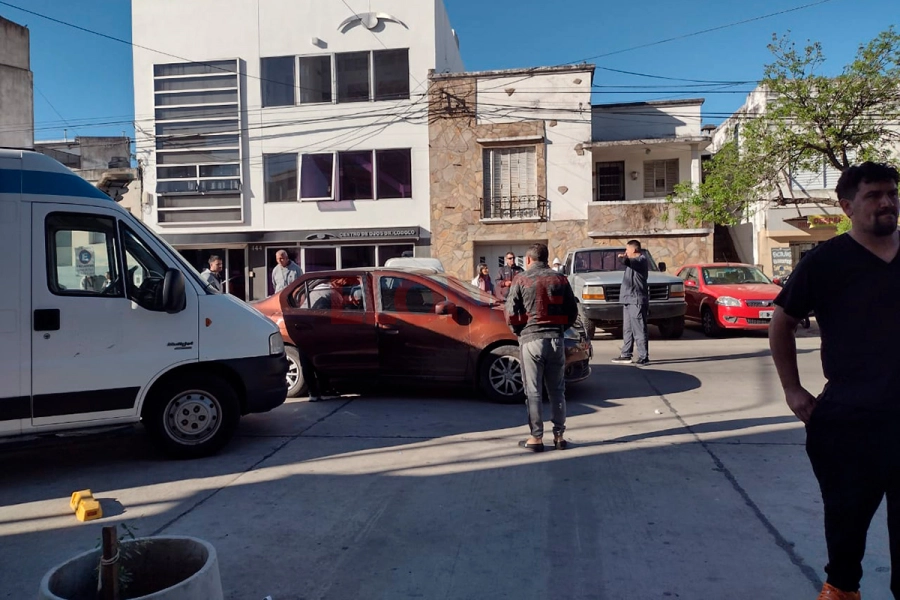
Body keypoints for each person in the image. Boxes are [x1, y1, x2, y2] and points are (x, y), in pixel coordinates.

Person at [769, 162, 900, 600]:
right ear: (847, 206)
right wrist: (791, 388)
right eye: (874, 195)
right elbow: (781, 323)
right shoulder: (825, 261)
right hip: (849, 420)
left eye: (892, 193)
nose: (887, 202)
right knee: (845, 530)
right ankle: (842, 591)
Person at [505, 242, 579, 453]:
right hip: (556, 339)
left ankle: (536, 438)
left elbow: (510, 313)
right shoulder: (561, 279)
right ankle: (559, 436)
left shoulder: (521, 279)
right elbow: (573, 312)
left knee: (534, 392)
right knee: (558, 391)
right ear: (546, 258)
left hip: (531, 339)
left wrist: (520, 332)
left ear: (528, 260)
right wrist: (559, 328)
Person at [612, 240, 650, 366]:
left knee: (639, 329)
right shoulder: (632, 262)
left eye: (627, 250)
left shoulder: (640, 260)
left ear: (634, 250)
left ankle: (643, 356)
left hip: (637, 300)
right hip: (628, 299)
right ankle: (626, 354)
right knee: (627, 329)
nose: (625, 252)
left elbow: (625, 261)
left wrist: (621, 257)